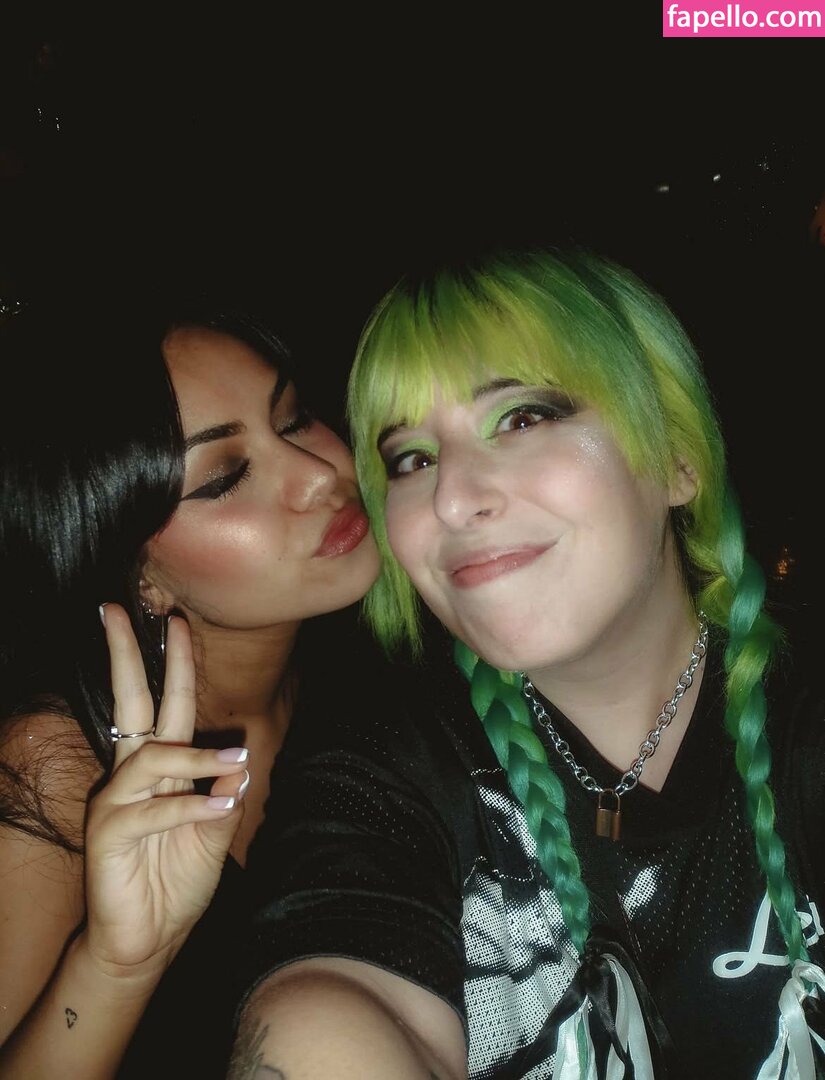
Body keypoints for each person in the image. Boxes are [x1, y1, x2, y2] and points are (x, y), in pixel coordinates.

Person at [227, 245, 825, 1079]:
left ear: (676, 459)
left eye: (522, 418)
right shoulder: (385, 760)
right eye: (411, 460)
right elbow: (328, 998)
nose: (451, 499)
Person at [0, 288, 381, 1078]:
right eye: (226, 476)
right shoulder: (59, 765)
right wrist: (115, 967)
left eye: (294, 419)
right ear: (138, 574)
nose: (318, 474)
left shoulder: (372, 663)